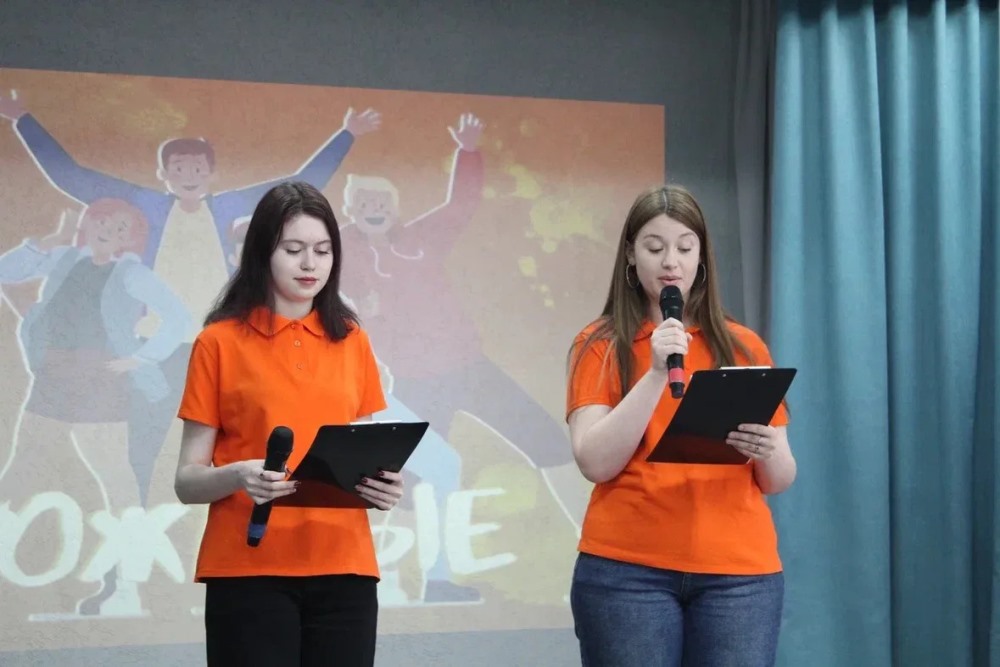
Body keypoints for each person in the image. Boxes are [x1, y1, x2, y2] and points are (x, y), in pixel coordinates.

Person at [173, 181, 403, 666]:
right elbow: (187, 482)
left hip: (345, 566)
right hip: (248, 567)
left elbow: (361, 452)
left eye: (322, 250)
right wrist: (239, 474)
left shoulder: (353, 340)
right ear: (262, 253)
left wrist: (379, 486)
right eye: (293, 250)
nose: (309, 264)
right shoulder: (218, 343)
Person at [565, 184, 797, 667]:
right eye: (655, 248)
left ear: (701, 258)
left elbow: (779, 478)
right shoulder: (600, 344)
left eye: (685, 248)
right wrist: (655, 372)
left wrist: (766, 449)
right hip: (627, 572)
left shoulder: (743, 345)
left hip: (740, 575)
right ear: (631, 255)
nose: (671, 261)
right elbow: (594, 462)